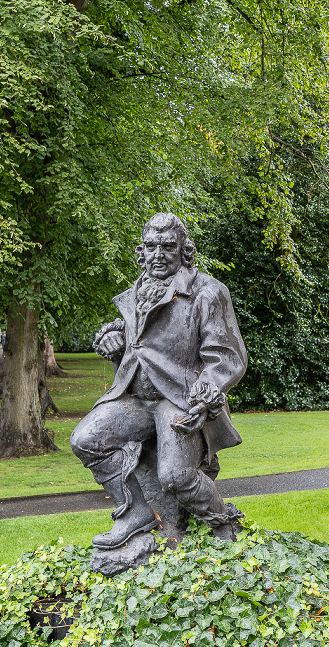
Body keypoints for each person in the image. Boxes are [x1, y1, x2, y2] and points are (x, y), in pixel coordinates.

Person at [71, 213, 248, 550]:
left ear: (184, 250)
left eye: (168, 246)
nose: (158, 254)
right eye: (151, 247)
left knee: (176, 477)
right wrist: (114, 342)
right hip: (134, 397)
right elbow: (139, 343)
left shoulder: (208, 292)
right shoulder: (136, 293)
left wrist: (206, 392)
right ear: (142, 251)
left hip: (179, 399)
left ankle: (222, 522)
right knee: (85, 439)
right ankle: (135, 511)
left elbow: (226, 357)